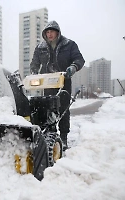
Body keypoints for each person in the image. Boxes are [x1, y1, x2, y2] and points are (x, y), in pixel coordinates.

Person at [30, 20, 85, 150]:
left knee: (63, 108)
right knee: (47, 108)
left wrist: (73, 67)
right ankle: (51, 134)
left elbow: (79, 59)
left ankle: (64, 137)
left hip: (63, 80)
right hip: (47, 81)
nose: (49, 34)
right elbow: (35, 63)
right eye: (47, 32)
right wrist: (33, 72)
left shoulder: (69, 45)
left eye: (52, 32)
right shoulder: (40, 47)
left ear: (57, 32)